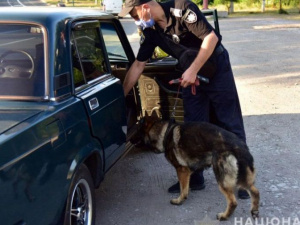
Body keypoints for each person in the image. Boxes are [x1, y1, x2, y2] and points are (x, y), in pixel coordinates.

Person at [119, 0, 250, 199]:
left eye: (134, 15)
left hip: (217, 70)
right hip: (191, 76)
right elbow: (138, 65)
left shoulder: (182, 9)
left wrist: (193, 70)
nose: (135, 20)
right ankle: (195, 178)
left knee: (228, 122)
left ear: (144, 7)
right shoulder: (151, 31)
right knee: (192, 128)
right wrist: (121, 97)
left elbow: (210, 38)